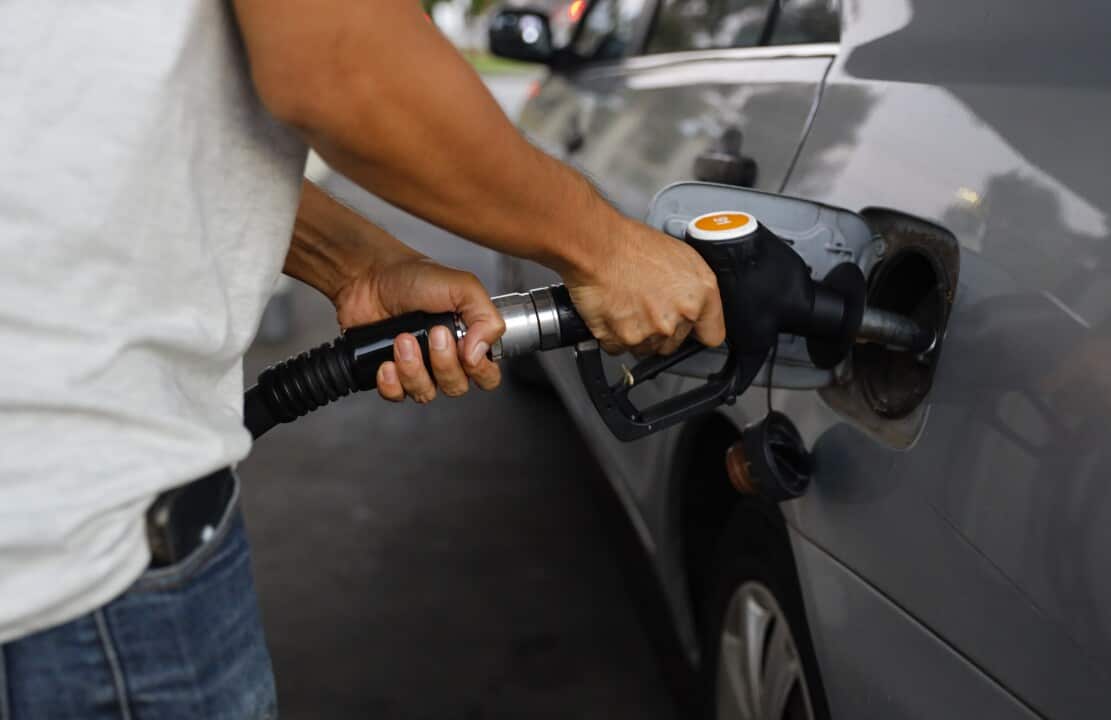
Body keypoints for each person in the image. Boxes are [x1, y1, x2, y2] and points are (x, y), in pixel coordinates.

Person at [0, 1, 725, 717]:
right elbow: (339, 56)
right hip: (79, 572)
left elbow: (95, 123)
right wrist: (609, 248)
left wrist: (356, 268)